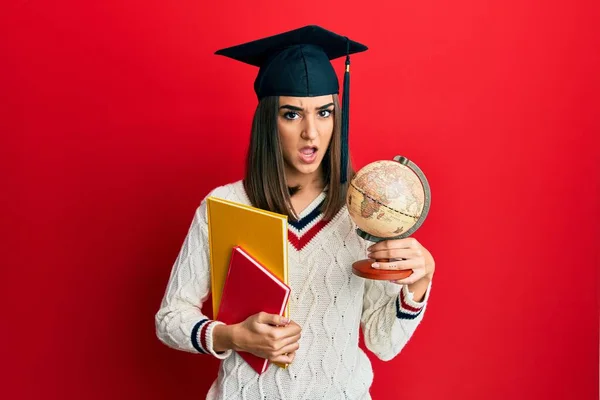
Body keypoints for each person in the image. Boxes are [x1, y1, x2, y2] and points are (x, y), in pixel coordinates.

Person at [155, 25, 435, 399]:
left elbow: (384, 342)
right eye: (291, 115)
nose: (311, 133)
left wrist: (418, 284)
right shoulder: (223, 205)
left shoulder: (366, 209)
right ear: (269, 121)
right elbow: (169, 319)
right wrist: (233, 335)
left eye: (323, 112)